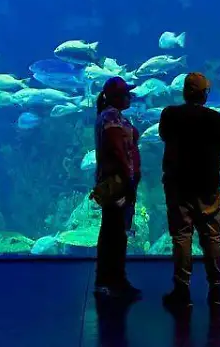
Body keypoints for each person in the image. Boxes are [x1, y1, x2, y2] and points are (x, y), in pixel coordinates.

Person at [159, 72, 220, 310]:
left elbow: (164, 137)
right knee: (212, 236)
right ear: (204, 94)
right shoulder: (216, 119)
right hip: (208, 186)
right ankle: (216, 291)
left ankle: (182, 290)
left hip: (178, 185)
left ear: (185, 92)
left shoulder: (170, 114)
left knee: (181, 236)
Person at [91, 77, 142, 301]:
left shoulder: (116, 116)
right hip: (116, 182)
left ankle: (118, 279)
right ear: (114, 96)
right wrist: (128, 176)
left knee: (119, 231)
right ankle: (105, 281)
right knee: (112, 231)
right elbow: (116, 148)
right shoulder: (110, 116)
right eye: (125, 93)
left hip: (125, 181)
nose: (129, 96)